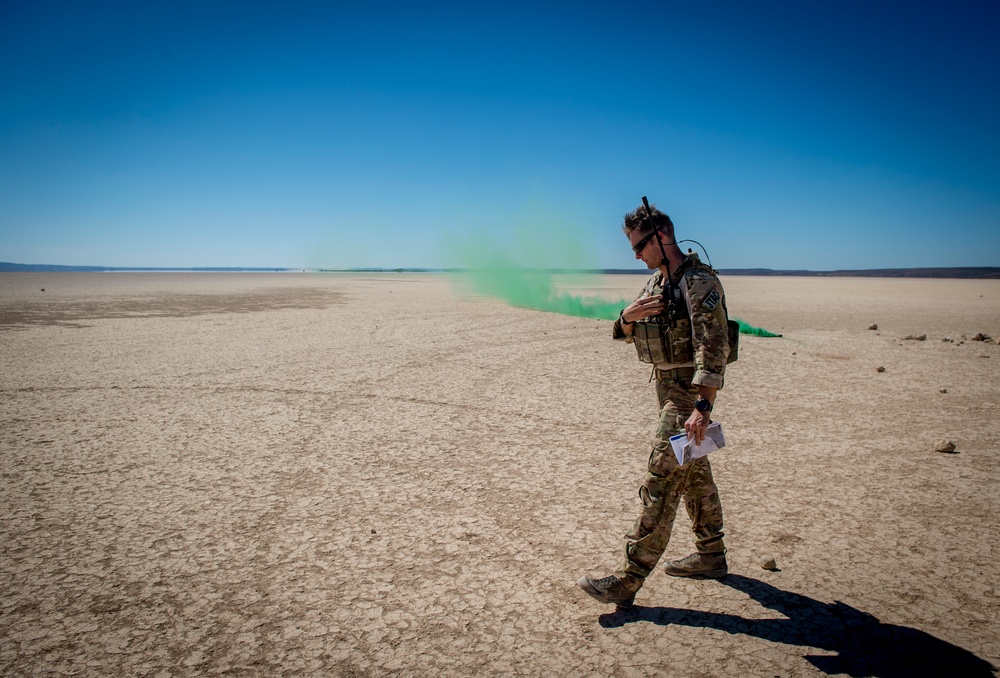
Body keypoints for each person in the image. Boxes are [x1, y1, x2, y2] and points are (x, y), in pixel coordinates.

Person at [578, 201, 733, 608]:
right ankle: (711, 554)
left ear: (662, 236)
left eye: (639, 245)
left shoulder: (698, 282)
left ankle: (628, 579)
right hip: (666, 391)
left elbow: (712, 346)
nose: (635, 254)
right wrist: (626, 318)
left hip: (687, 396)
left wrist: (703, 406)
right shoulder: (657, 283)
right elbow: (623, 331)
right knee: (695, 474)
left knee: (661, 479)